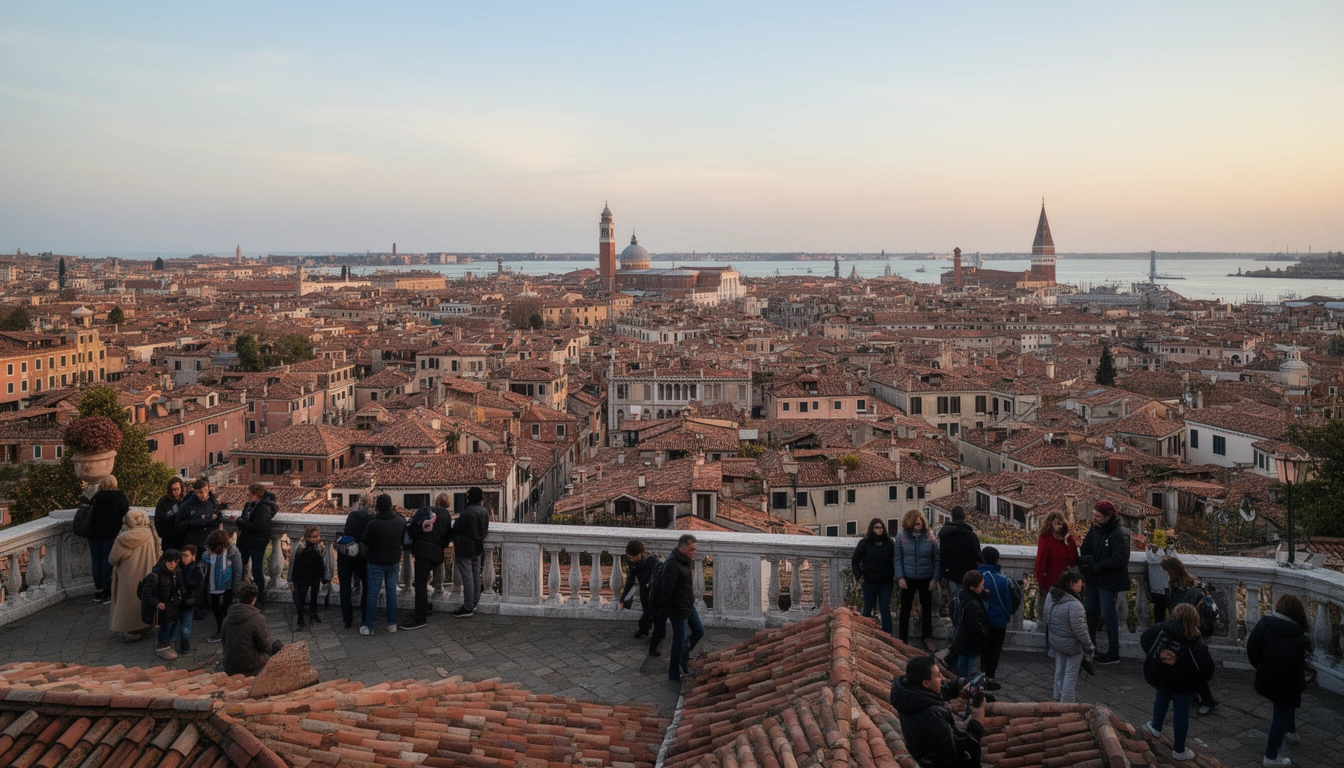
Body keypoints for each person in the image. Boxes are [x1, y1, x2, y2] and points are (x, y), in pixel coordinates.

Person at [1140, 603, 1214, 762]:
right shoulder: (1196, 643)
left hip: (1161, 675)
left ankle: (1156, 727)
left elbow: (1144, 638)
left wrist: (1157, 655)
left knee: (1161, 696)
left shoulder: (1161, 629)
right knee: (1181, 711)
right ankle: (1179, 749)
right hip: (1183, 683)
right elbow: (1208, 669)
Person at [1247, 594, 1312, 767]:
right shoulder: (1300, 637)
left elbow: (1251, 647)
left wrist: (1260, 666)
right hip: (1289, 682)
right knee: (1280, 716)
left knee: (1284, 708)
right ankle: (1270, 756)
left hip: (1267, 677)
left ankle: (1290, 732)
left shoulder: (1265, 624)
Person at [890, 654, 984, 768]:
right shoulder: (931, 715)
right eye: (938, 676)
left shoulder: (909, 695)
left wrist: (959, 685)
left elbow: (936, 693)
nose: (941, 678)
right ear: (925, 683)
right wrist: (977, 720)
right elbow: (958, 750)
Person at [1161, 556, 1220, 714]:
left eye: (1167, 571)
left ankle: (1206, 700)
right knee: (1188, 666)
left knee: (1193, 666)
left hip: (1189, 631)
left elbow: (1181, 612)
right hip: (1189, 630)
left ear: (1173, 571)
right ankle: (1197, 696)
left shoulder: (1186, 590)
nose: (1166, 574)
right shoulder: (1189, 584)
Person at [1078, 500, 1129, 664]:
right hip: (1093, 578)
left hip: (1108, 580)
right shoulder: (1095, 529)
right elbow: (1085, 547)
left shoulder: (1119, 534)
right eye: (1094, 515)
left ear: (1108, 516)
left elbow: (1120, 560)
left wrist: (1098, 565)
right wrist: (1088, 562)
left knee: (1108, 615)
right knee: (1089, 611)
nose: (1094, 519)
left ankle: (1114, 653)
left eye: (1098, 516)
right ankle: (1090, 648)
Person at [402, 494, 453, 631]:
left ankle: (420, 618)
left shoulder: (426, 511)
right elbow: (447, 536)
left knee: (420, 585)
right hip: (437, 553)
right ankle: (425, 608)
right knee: (431, 583)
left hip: (423, 551)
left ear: (436, 501)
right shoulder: (447, 516)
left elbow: (413, 527)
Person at [1043, 569, 1095, 703]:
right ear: (1071, 584)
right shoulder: (1074, 605)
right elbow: (1080, 630)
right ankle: (1067, 702)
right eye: (1079, 583)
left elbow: (1046, 617)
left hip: (1056, 640)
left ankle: (1057, 695)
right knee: (1071, 674)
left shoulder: (1051, 595)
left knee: (1059, 669)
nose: (1081, 586)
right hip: (1072, 644)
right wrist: (1089, 647)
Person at [107, 509, 160, 642]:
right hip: (147, 572)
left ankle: (130, 629)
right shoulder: (150, 534)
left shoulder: (123, 537)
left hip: (128, 575)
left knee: (128, 601)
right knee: (145, 598)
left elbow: (112, 559)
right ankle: (145, 624)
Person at [893, 509, 940, 650]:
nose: (916, 527)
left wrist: (935, 579)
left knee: (927, 609)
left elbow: (937, 559)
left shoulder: (930, 537)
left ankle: (927, 637)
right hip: (908, 577)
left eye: (918, 524)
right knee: (905, 609)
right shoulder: (901, 536)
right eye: (913, 524)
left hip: (926, 577)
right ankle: (903, 639)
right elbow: (897, 557)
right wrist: (900, 577)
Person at [360, 494, 406, 635]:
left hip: (376, 562)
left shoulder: (373, 524)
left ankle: (369, 626)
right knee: (391, 592)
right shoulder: (400, 521)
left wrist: (366, 555)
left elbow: (364, 544)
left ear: (377, 506)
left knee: (372, 593)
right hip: (393, 561)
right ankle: (392, 624)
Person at [661, 534, 703, 683]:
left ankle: (683, 655)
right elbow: (666, 590)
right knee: (678, 641)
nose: (694, 552)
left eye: (695, 549)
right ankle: (673, 673)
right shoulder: (672, 565)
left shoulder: (685, 561)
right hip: (678, 609)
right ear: (682, 547)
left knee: (699, 631)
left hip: (688, 606)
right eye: (692, 549)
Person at [976, 547, 1020, 689]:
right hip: (999, 621)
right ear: (997, 559)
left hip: (981, 620)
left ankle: (981, 675)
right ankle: (990, 677)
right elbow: (1009, 604)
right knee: (994, 650)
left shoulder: (975, 577)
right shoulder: (1003, 580)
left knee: (983, 648)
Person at [222, 582, 284, 676]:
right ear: (254, 599)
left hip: (230, 665)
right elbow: (266, 647)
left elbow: (224, 642)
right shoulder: (257, 619)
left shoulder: (227, 618)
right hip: (250, 667)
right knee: (277, 649)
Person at [86, 475, 130, 604]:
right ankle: (106, 590)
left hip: (94, 534)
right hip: (110, 534)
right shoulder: (120, 498)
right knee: (107, 562)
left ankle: (98, 590)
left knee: (96, 562)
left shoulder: (95, 498)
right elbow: (125, 515)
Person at [232, 484, 276, 604]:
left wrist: (241, 523)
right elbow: (244, 519)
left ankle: (260, 597)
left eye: (249, 495)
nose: (247, 497)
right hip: (245, 541)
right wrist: (240, 521)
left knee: (257, 571)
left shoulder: (264, 507)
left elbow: (259, 527)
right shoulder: (248, 505)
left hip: (257, 543)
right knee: (239, 568)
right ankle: (241, 595)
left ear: (258, 495)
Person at [138, 548, 184, 661]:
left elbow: (180, 586)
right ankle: (162, 646)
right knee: (166, 625)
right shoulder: (154, 576)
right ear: (164, 561)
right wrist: (157, 603)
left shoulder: (177, 571)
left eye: (175, 561)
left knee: (174, 623)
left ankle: (168, 644)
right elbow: (145, 594)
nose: (172, 564)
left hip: (173, 604)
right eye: (170, 561)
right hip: (162, 606)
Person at [852, 518, 896, 635]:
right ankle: (864, 634)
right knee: (867, 608)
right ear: (872, 528)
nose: (879, 530)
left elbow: (896, 560)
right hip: (869, 582)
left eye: (881, 527)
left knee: (885, 609)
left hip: (886, 582)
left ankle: (888, 636)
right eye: (876, 527)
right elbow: (856, 560)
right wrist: (859, 575)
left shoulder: (889, 543)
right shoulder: (864, 543)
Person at [451, 487, 490, 618]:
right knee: (475, 574)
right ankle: (474, 602)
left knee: (467, 577)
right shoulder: (484, 511)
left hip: (465, 546)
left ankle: (467, 607)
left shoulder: (467, 512)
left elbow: (456, 528)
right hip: (478, 546)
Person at [337, 492, 374, 628]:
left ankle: (347, 620)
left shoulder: (352, 515)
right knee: (367, 586)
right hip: (361, 557)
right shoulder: (372, 518)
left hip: (345, 553)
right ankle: (365, 617)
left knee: (345, 587)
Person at [938, 506, 982, 619]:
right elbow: (978, 556)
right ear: (964, 517)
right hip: (968, 574)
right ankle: (965, 627)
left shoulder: (944, 535)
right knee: (968, 602)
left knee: (955, 600)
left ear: (952, 517)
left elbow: (941, 555)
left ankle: (956, 627)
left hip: (950, 573)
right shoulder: (971, 536)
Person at [1033, 510, 1079, 618]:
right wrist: (1041, 582)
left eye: (1061, 523)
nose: (1059, 526)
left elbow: (1074, 557)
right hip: (1051, 582)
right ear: (1050, 524)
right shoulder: (1045, 538)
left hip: (1067, 582)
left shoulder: (1067, 538)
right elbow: (1041, 561)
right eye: (1056, 524)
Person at [201, 528, 242, 643]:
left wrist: (236, 588)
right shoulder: (207, 553)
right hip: (212, 585)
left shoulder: (232, 552)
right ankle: (221, 629)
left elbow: (238, 571)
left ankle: (225, 631)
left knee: (227, 609)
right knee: (216, 608)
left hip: (227, 585)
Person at [289, 525, 332, 628]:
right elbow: (295, 566)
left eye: (318, 536)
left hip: (315, 576)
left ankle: (313, 613)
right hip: (302, 577)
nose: (317, 538)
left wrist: (323, 577)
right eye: (314, 536)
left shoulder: (320, 547)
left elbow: (323, 564)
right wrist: (293, 581)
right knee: (301, 597)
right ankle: (300, 617)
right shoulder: (300, 548)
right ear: (307, 538)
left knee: (314, 596)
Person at [619, 539, 661, 639]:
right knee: (646, 611)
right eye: (630, 557)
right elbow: (631, 579)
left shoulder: (653, 561)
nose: (632, 559)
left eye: (634, 557)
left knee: (656, 613)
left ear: (641, 553)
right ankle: (644, 630)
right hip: (644, 589)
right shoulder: (632, 562)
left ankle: (656, 634)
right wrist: (623, 599)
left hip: (655, 590)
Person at [951, 570, 989, 680]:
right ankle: (965, 684)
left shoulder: (960, 597)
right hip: (970, 641)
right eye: (981, 585)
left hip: (961, 637)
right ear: (973, 587)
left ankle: (961, 682)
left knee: (962, 661)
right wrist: (984, 635)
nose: (982, 588)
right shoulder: (973, 605)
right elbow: (976, 626)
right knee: (967, 665)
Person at [175, 479, 225, 552]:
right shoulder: (187, 505)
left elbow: (217, 520)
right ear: (195, 491)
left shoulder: (213, 502)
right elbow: (178, 525)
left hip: (210, 543)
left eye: (205, 491)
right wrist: (196, 522)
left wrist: (218, 518)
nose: (203, 495)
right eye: (200, 492)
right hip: (193, 544)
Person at [1145, 529, 1177, 624]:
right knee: (1164, 613)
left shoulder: (1153, 559)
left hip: (1160, 588)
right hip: (1162, 588)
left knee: (1161, 614)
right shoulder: (1161, 559)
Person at [177, 544, 205, 654]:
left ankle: (185, 643)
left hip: (189, 601)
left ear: (193, 556)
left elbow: (199, 587)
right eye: (182, 556)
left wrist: (193, 599)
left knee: (186, 624)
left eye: (186, 556)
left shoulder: (196, 569)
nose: (183, 558)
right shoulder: (180, 567)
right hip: (181, 600)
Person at [154, 477, 187, 552]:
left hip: (182, 538)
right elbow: (159, 519)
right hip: (168, 539)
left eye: (178, 489)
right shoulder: (164, 501)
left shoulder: (185, 501)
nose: (177, 492)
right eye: (174, 489)